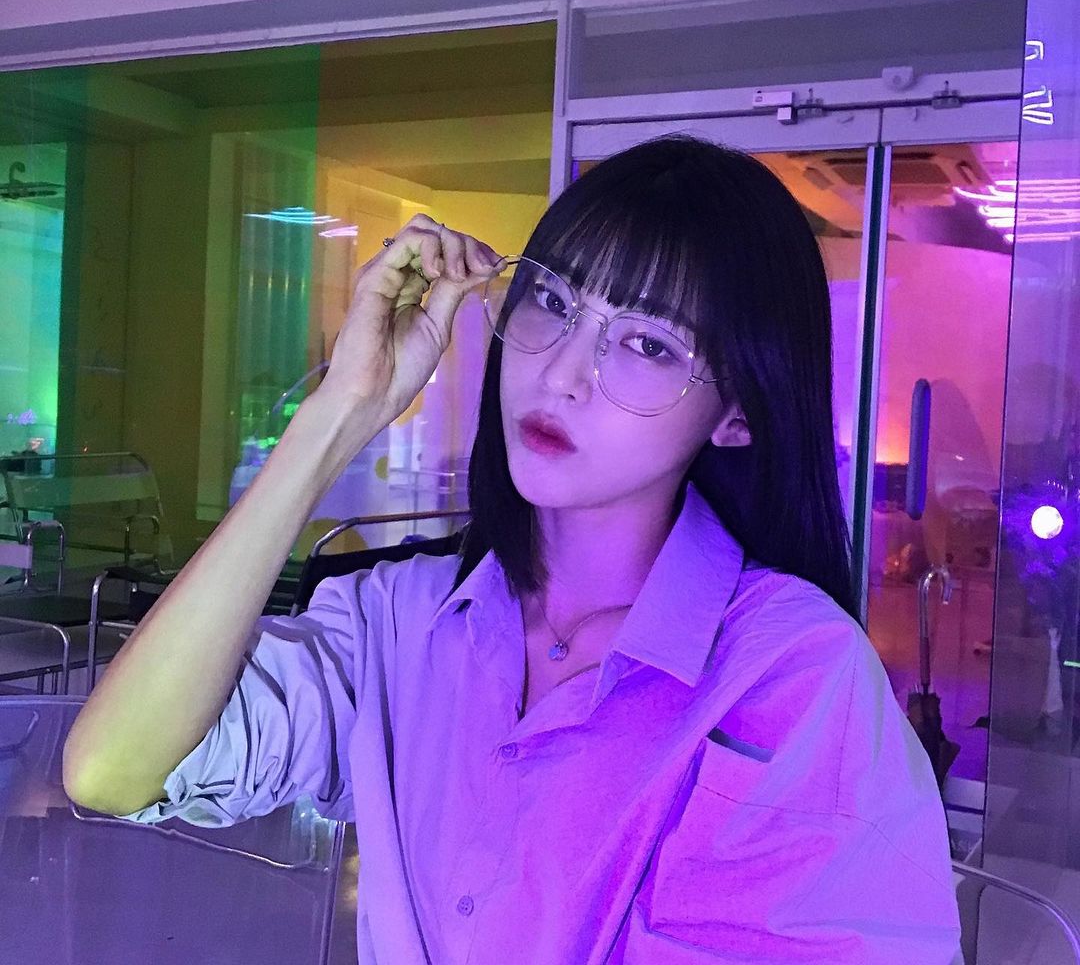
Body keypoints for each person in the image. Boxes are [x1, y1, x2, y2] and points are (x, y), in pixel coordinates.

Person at [63, 136, 962, 963]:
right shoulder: (403, 623)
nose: (562, 373)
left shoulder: (792, 675)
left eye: (646, 343)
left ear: (737, 412)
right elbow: (113, 770)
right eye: (554, 302)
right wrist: (340, 415)